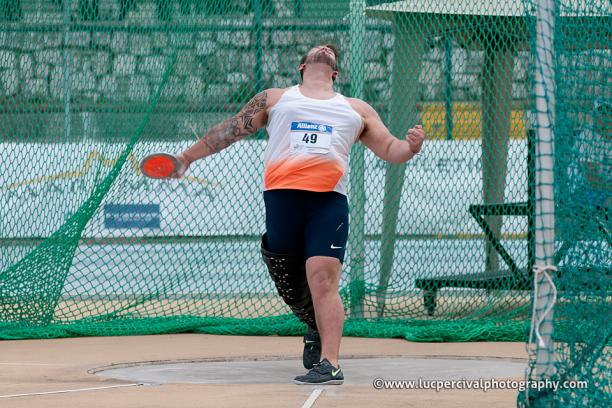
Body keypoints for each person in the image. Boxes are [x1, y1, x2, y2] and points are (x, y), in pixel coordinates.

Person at [171, 44, 425, 385]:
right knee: (290, 284)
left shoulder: (356, 109)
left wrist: (410, 146)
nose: (325, 50)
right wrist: (187, 157)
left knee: (323, 278)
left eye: (330, 52)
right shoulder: (275, 98)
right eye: (317, 50)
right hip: (282, 202)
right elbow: (231, 130)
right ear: (303, 66)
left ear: (335, 73)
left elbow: (390, 149)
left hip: (328, 203)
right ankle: (313, 325)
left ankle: (330, 363)